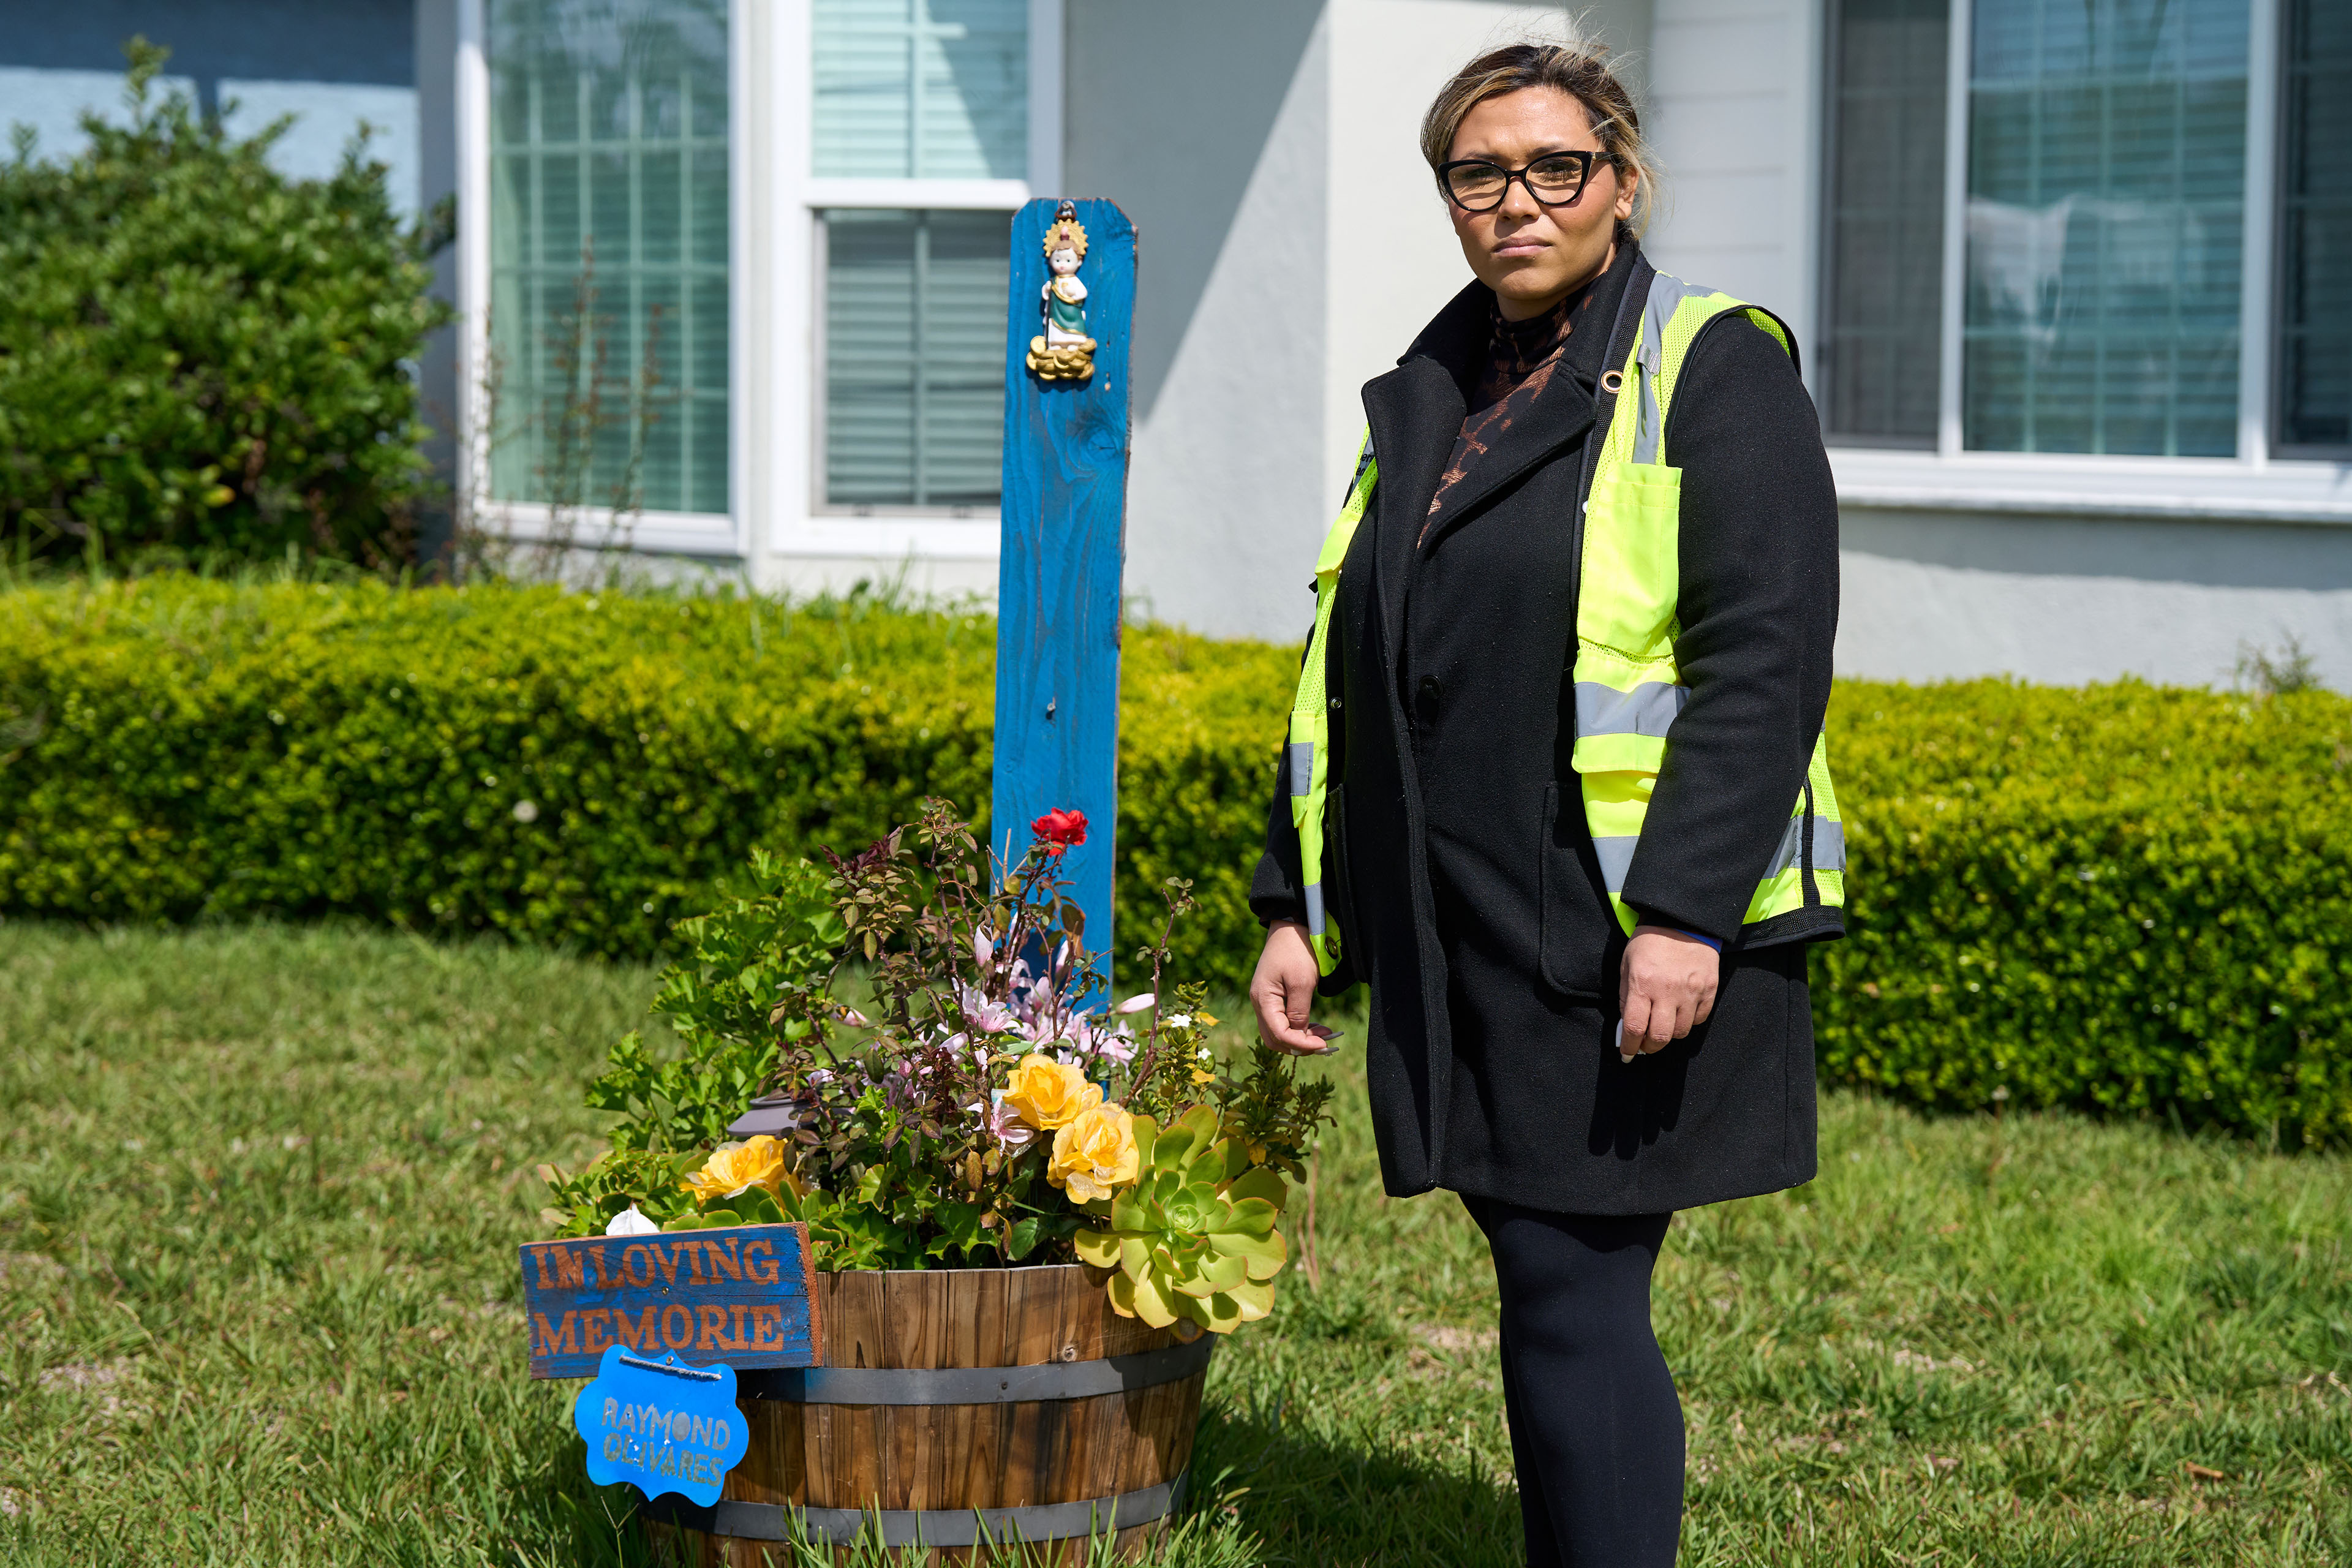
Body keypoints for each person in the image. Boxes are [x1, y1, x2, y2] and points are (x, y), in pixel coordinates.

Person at [1245, 36, 1846, 1568]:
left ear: (1622, 182)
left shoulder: (1714, 370)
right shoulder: (1438, 388)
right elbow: (1345, 659)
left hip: (1618, 930)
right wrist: (1294, 904)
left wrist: (1686, 916)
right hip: (1464, 926)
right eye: (1479, 172)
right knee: (1541, 1273)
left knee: (1572, 1283)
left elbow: (1761, 660)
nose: (1517, 200)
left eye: (1555, 167)